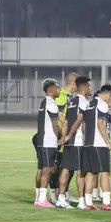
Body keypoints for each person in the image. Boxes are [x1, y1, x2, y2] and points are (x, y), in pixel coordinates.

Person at [57, 76, 91, 209]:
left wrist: (64, 137)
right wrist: (71, 134)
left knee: (65, 169)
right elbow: (79, 120)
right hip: (77, 141)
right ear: (83, 87)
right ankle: (82, 202)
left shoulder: (71, 101)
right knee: (80, 172)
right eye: (89, 86)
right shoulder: (83, 102)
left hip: (69, 141)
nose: (90, 88)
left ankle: (61, 199)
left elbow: (66, 121)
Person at [82, 84, 111, 211]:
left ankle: (89, 203)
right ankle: (106, 203)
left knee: (91, 173)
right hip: (99, 144)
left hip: (88, 143)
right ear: (107, 94)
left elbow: (84, 125)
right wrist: (108, 142)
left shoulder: (89, 104)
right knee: (105, 173)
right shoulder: (102, 104)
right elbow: (100, 124)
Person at [34, 79, 61, 208]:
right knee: (48, 170)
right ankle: (42, 199)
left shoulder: (43, 102)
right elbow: (55, 125)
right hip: (48, 141)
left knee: (42, 169)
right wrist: (62, 137)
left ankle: (39, 197)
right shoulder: (51, 104)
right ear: (51, 90)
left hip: (42, 140)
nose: (59, 89)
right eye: (57, 87)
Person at [51, 72, 77, 202]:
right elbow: (59, 116)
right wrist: (62, 136)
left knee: (69, 166)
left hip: (68, 136)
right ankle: (54, 194)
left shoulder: (71, 97)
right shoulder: (61, 95)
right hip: (60, 137)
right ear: (73, 83)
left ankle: (64, 192)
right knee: (58, 167)